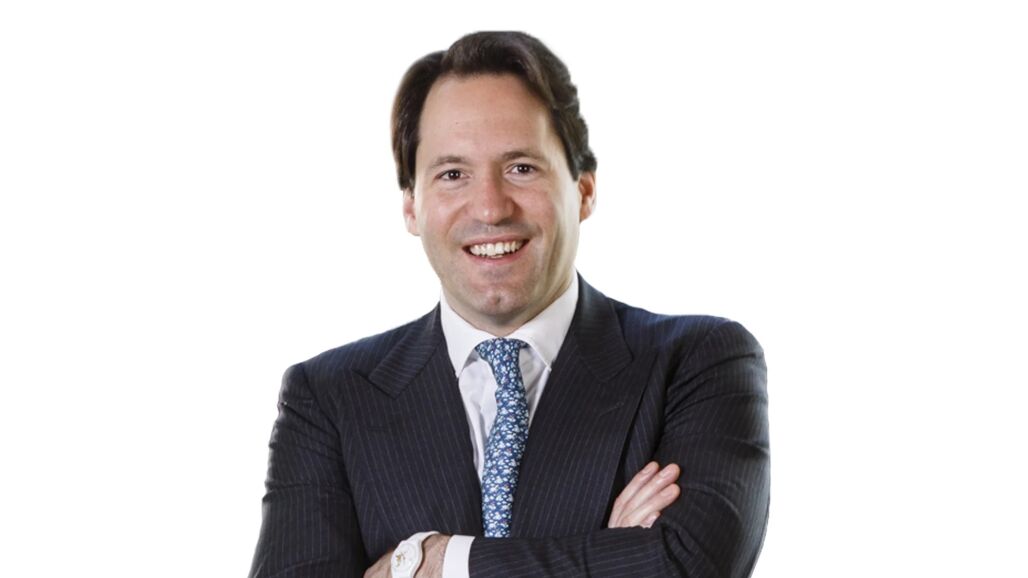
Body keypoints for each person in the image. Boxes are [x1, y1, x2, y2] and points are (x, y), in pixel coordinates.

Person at [249, 31, 769, 578]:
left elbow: (686, 564)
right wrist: (610, 554)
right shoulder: (328, 398)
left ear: (584, 189)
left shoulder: (699, 363)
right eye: (453, 175)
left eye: (521, 167)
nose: (491, 208)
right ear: (411, 207)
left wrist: (437, 562)